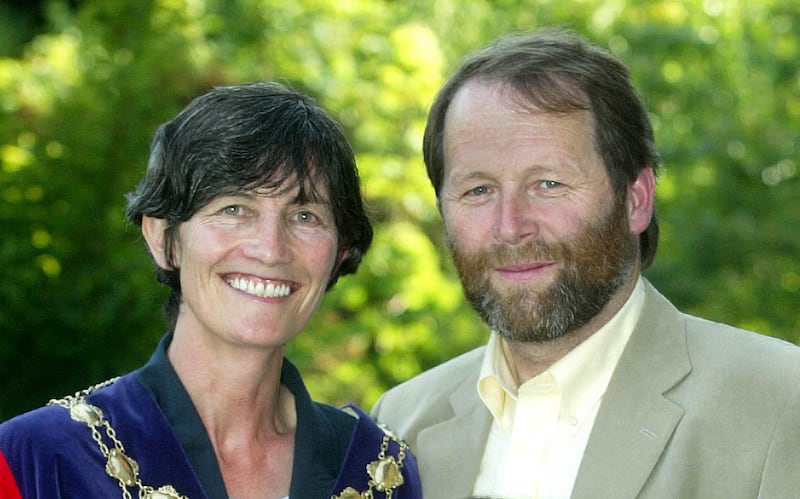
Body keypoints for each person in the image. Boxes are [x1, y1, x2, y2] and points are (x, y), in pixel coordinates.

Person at [371, 28, 800, 499]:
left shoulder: (779, 403)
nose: (511, 226)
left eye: (549, 184)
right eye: (478, 190)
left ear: (636, 199)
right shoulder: (400, 424)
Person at [0, 82, 421, 499]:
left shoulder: (378, 471)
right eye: (233, 209)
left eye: (305, 216)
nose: (271, 250)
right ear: (163, 238)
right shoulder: (39, 459)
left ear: (339, 251)